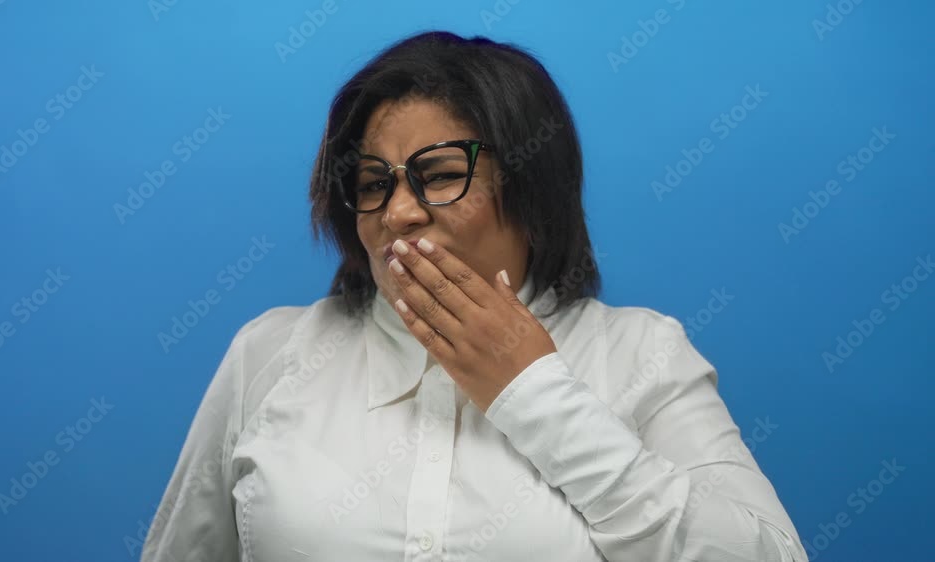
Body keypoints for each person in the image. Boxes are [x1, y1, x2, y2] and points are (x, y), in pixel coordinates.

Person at [142, 31, 807, 562]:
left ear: (530, 189)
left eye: (439, 175)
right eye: (373, 184)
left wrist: (535, 392)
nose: (398, 213)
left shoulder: (642, 353)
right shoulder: (270, 354)